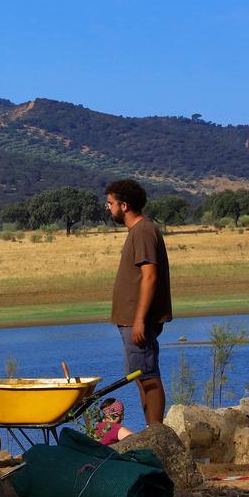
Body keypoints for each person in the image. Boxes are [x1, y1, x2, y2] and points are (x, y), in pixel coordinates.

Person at [105, 179, 173, 426]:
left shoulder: (143, 231)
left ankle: (156, 434)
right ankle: (151, 430)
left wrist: (140, 320)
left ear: (124, 205)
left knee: (148, 376)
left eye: (111, 203)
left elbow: (150, 275)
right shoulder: (138, 231)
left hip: (137, 321)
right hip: (131, 321)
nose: (107, 207)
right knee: (140, 376)